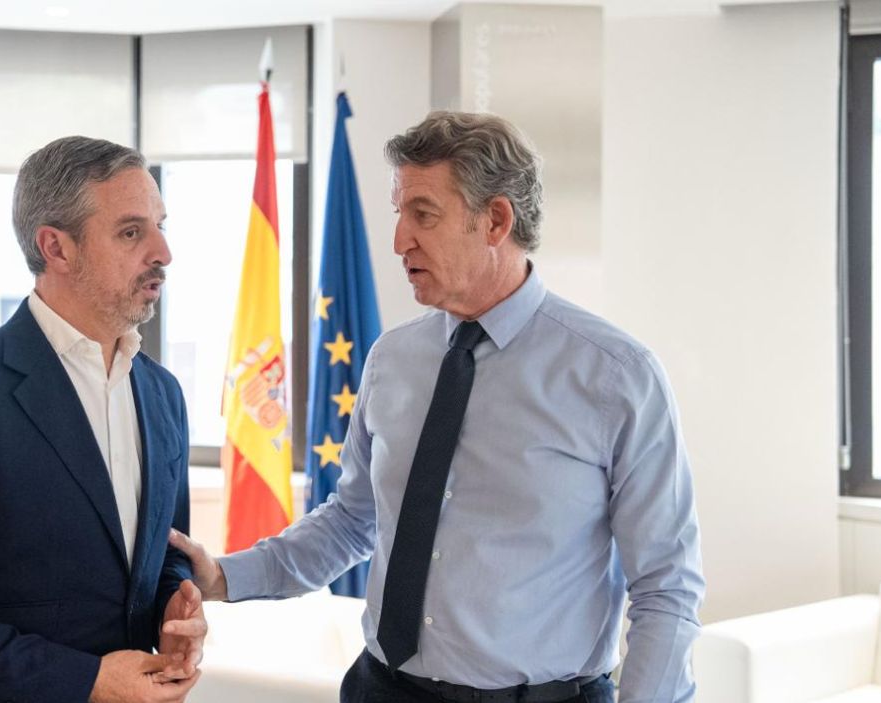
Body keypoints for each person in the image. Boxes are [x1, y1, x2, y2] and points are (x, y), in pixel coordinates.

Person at [171, 111, 705, 703]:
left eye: (423, 214)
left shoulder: (615, 376)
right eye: (399, 213)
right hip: (381, 688)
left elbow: (666, 585)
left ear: (496, 220)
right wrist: (225, 575)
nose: (400, 239)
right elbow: (352, 521)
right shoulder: (393, 359)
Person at [0, 136, 205, 703]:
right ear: (56, 247)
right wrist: (87, 681)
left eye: (160, 225)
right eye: (131, 232)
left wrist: (173, 611)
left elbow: (161, 556)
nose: (163, 252)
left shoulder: (163, 394)